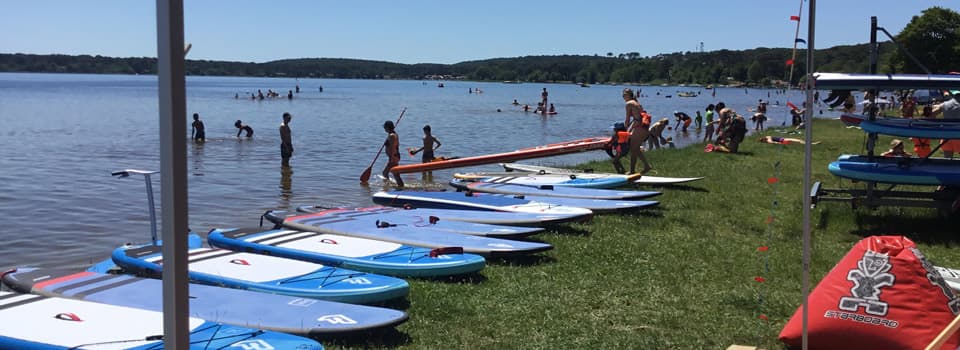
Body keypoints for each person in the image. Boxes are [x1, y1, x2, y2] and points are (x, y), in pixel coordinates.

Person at [622, 88, 652, 174]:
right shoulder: (636, 102)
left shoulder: (629, 104)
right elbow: (637, 119)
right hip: (644, 128)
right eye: (623, 95)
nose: (623, 96)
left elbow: (627, 120)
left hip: (639, 129)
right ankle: (647, 166)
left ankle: (632, 172)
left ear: (629, 95)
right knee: (636, 149)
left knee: (633, 150)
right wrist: (630, 129)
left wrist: (624, 129)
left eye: (625, 95)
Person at [932, 90, 960, 158]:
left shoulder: (945, 104)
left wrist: (937, 124)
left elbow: (932, 114)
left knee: (947, 159)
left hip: (946, 134)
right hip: (958, 133)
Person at [381, 120, 405, 187]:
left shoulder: (392, 136)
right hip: (394, 156)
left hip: (393, 157)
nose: (384, 129)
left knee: (385, 173)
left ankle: (388, 186)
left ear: (388, 127)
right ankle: (400, 186)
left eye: (385, 127)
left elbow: (392, 148)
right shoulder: (393, 134)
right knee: (395, 174)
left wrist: (391, 159)